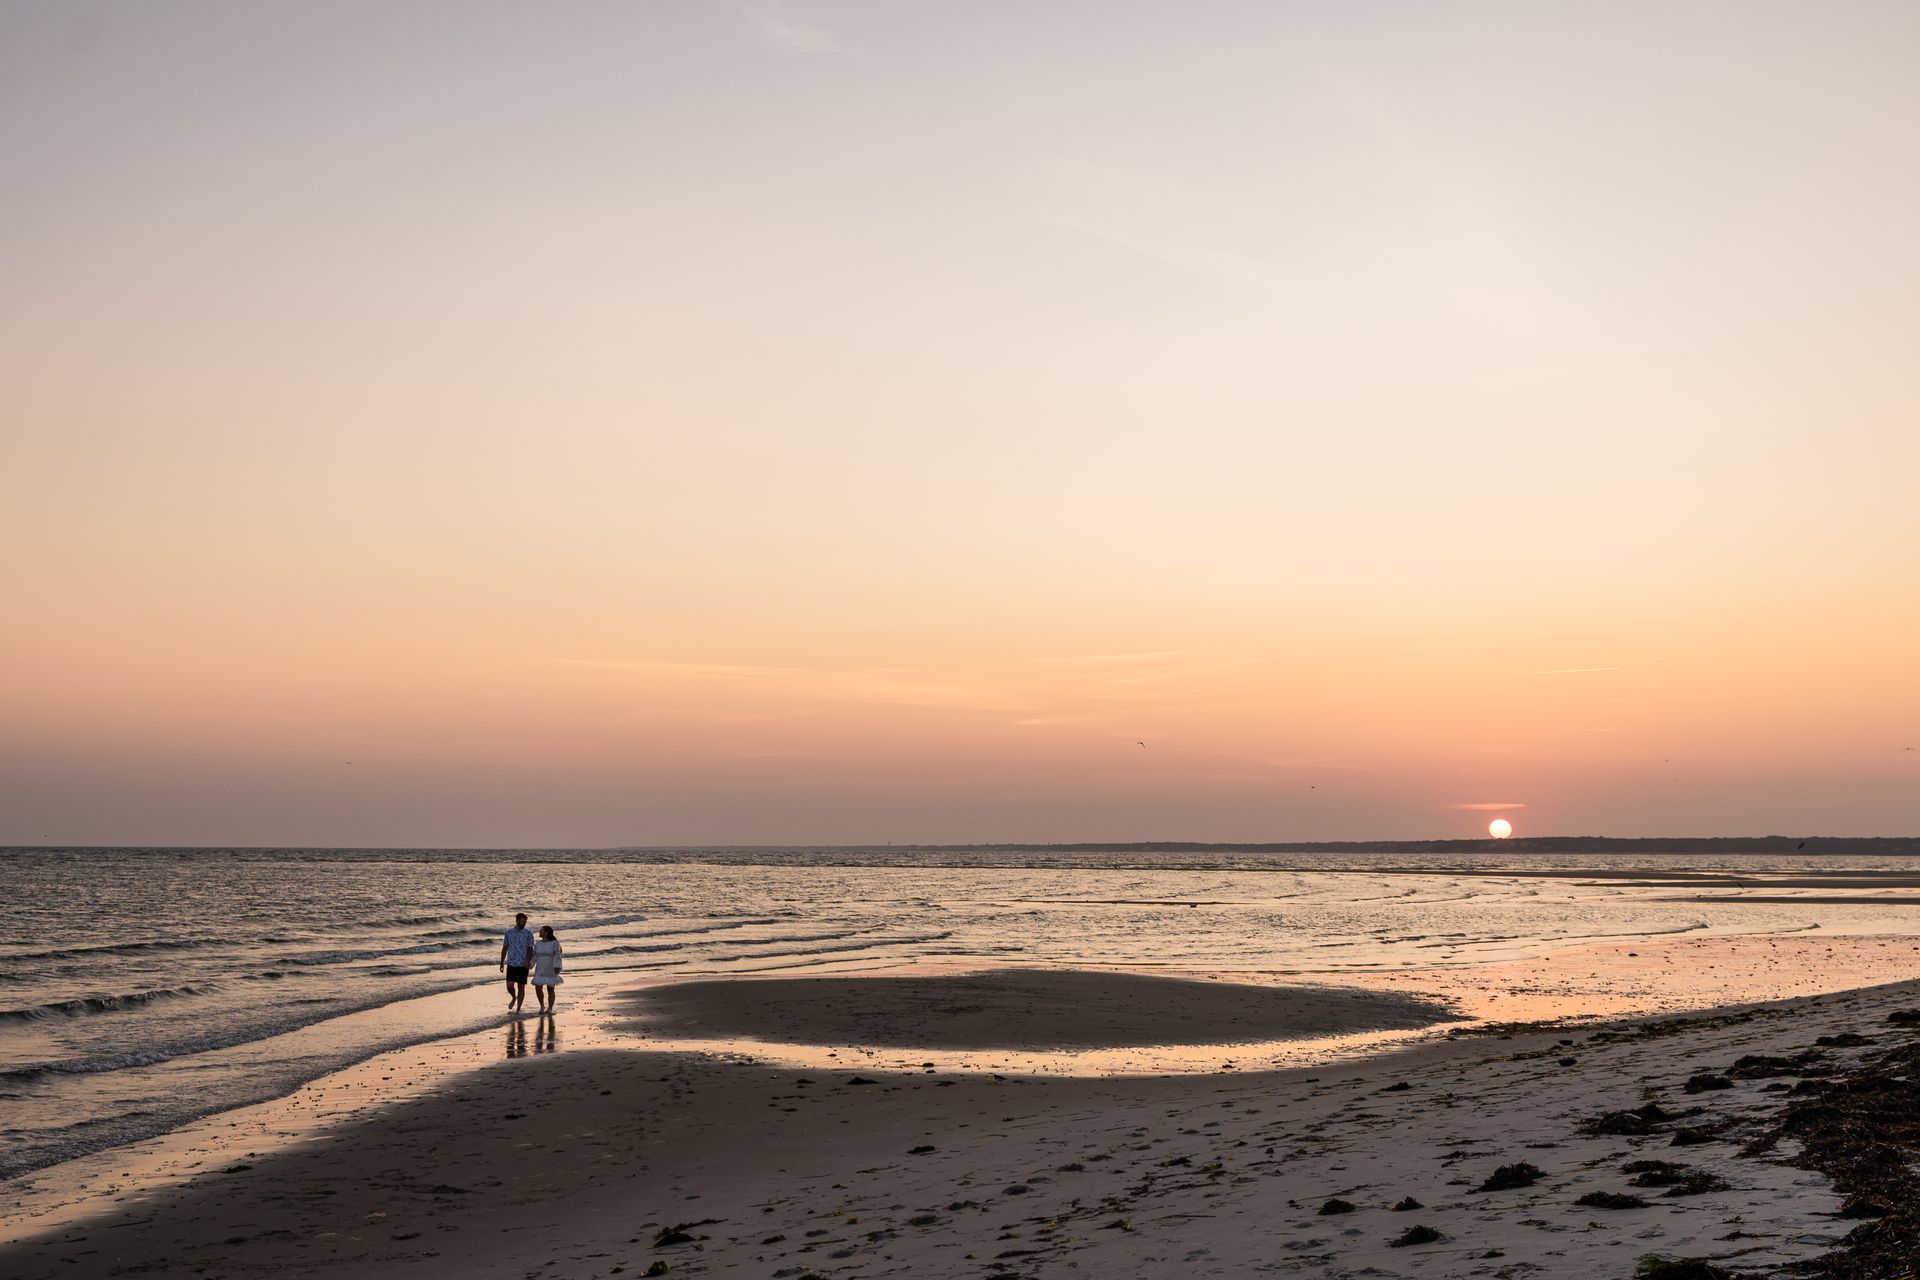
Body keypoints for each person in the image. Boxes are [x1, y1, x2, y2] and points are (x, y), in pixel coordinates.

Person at [499, 912, 535, 1011]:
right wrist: (502, 963)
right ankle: (514, 997)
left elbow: (530, 949)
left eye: (525, 922)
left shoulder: (528, 934)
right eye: (522, 921)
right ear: (517, 921)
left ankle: (518, 1009)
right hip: (511, 963)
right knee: (509, 986)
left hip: (523, 964)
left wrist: (528, 961)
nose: (524, 924)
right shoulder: (509, 933)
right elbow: (505, 948)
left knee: (521, 987)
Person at [529, 924, 563, 1012]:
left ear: (546, 933)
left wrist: (557, 966)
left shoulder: (554, 943)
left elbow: (558, 955)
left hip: (550, 967)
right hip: (540, 967)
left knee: (550, 988)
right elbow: (535, 956)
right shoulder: (538, 944)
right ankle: (542, 1006)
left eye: (541, 930)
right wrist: (530, 964)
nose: (539, 932)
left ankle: (550, 1008)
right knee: (538, 987)